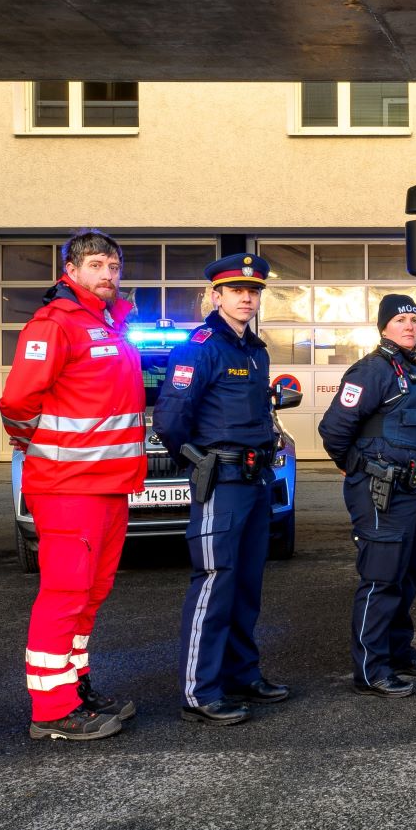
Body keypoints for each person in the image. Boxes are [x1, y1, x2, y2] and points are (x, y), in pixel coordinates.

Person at [0, 230, 145, 744]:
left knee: (91, 593)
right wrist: (29, 444)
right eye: (98, 265)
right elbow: (17, 402)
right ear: (73, 270)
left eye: (114, 266)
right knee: (64, 593)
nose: (109, 275)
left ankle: (75, 686)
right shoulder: (55, 323)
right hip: (67, 488)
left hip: (109, 486)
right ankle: (52, 709)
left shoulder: (110, 322)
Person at [154, 253, 294, 725]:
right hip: (222, 482)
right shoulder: (201, 346)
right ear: (216, 296)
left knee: (246, 584)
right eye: (236, 290)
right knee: (214, 582)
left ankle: (241, 674)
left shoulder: (254, 350)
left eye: (253, 291)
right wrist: (198, 462)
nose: (247, 298)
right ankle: (201, 690)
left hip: (255, 479)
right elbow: (171, 420)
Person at [319, 293, 416, 697]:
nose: (408, 326)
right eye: (399, 320)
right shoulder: (372, 371)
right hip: (381, 492)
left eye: (413, 319)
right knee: (380, 578)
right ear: (383, 326)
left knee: (408, 574)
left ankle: (397, 650)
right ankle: (371, 670)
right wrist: (356, 465)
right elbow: (334, 430)